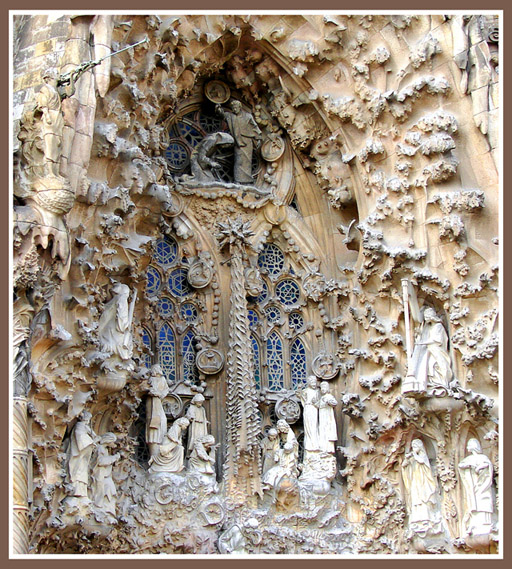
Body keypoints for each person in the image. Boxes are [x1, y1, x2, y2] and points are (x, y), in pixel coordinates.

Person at [401, 439, 442, 537]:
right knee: (416, 500)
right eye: (412, 447)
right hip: (416, 482)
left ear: (420, 447)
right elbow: (404, 465)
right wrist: (406, 459)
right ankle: (416, 520)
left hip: (423, 483)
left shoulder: (422, 456)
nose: (413, 449)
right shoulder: (413, 458)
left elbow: (421, 461)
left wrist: (414, 455)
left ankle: (426, 520)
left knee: (424, 500)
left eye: (415, 447)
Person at [409, 307, 453, 395]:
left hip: (437, 350)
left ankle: (441, 383)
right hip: (431, 350)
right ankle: (434, 383)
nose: (425, 318)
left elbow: (436, 340)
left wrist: (421, 343)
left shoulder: (438, 326)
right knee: (430, 366)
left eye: (426, 316)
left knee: (436, 365)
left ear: (431, 316)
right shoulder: (429, 327)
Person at [216, 100, 261, 184]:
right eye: (233, 108)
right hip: (238, 142)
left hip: (247, 141)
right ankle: (238, 180)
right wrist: (218, 108)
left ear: (240, 107)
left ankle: (247, 181)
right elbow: (222, 114)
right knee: (239, 161)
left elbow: (254, 127)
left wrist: (258, 137)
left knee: (247, 161)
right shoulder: (230, 116)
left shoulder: (248, 116)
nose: (234, 109)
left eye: (236, 108)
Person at [458, 438, 494, 537]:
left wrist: (479, 467)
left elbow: (488, 465)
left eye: (469, 445)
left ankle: (485, 523)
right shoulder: (469, 459)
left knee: (483, 501)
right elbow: (460, 465)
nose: (467, 448)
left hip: (482, 485)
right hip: (472, 485)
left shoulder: (483, 457)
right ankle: (474, 524)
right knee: (473, 503)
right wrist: (469, 465)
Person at [97, 282, 137, 360]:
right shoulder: (121, 299)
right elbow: (122, 321)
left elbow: (105, 316)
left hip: (108, 333)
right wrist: (126, 326)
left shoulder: (117, 300)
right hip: (114, 334)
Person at [67, 411, 96, 498]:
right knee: (78, 470)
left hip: (83, 454)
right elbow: (79, 436)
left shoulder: (84, 426)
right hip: (79, 452)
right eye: (88, 419)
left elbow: (93, 434)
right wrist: (89, 442)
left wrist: (93, 439)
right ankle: (76, 490)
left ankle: (82, 491)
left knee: (83, 471)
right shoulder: (79, 426)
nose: (88, 421)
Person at [92, 432, 120, 516]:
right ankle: (98, 507)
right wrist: (114, 458)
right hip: (99, 473)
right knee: (100, 490)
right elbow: (100, 461)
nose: (113, 444)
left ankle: (107, 510)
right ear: (108, 441)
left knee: (110, 489)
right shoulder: (100, 448)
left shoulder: (106, 450)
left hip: (105, 474)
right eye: (113, 442)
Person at [145, 364, 169, 458]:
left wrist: (161, 394)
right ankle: (153, 454)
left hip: (159, 401)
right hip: (152, 402)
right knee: (153, 422)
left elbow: (166, 389)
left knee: (162, 420)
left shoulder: (162, 379)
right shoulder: (151, 379)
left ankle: (161, 444)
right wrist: (154, 392)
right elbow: (147, 389)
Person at [299, 376, 320, 452]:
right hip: (308, 409)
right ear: (309, 383)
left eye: (315, 382)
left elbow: (319, 402)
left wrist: (316, 402)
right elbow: (299, 394)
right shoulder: (306, 391)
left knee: (314, 426)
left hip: (314, 409)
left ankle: (315, 445)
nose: (314, 384)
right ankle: (309, 446)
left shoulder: (317, 391)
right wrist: (299, 388)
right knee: (308, 426)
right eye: (312, 382)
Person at [317, 382, 338, 453]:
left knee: (328, 430)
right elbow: (318, 405)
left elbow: (335, 403)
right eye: (321, 388)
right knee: (322, 430)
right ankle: (323, 448)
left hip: (327, 416)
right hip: (322, 416)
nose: (322, 389)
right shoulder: (322, 398)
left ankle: (328, 449)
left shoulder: (329, 396)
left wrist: (328, 401)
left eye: (324, 388)